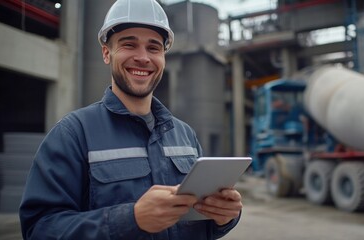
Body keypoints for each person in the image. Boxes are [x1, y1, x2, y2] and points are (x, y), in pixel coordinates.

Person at [19, 0, 243, 239]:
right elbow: (39, 229)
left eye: (154, 48)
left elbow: (199, 226)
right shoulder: (73, 134)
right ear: (107, 53)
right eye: (129, 44)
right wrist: (130, 219)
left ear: (164, 57)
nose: (143, 57)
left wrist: (225, 217)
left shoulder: (185, 135)